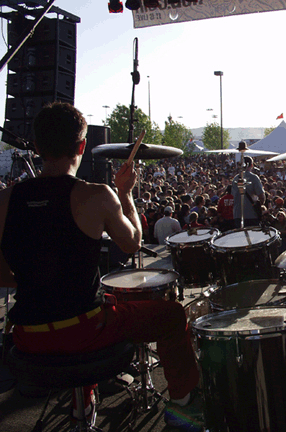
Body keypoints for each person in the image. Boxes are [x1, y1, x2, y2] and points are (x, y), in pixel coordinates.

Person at [0, 102, 202, 431]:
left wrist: (37, 280)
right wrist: (125, 192)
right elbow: (133, 242)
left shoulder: (5, 200)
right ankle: (183, 405)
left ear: (36, 147)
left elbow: (1, 274)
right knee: (172, 314)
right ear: (81, 146)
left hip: (27, 338)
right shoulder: (95, 195)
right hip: (86, 331)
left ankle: (84, 400)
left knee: (94, 308)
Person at [231, 154, 265, 228]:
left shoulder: (236, 178)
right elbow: (262, 196)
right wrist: (258, 206)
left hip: (237, 214)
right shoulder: (254, 178)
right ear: (251, 165)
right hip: (251, 215)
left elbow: (233, 195)